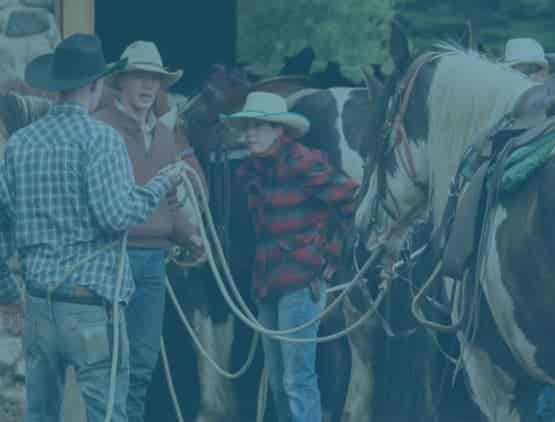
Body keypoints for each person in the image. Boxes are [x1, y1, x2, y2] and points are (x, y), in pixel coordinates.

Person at [0, 33, 184, 422]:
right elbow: (116, 215)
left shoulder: (20, 143)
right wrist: (160, 184)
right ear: (96, 85)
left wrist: (7, 293)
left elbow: (2, 223)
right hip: (90, 302)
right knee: (107, 414)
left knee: (40, 414)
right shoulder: (102, 139)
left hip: (38, 302)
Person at [223, 92, 358, 422]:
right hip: (266, 282)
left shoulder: (304, 162)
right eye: (247, 127)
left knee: (297, 379)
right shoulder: (251, 171)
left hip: (300, 280)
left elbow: (353, 204)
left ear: (277, 130)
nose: (249, 134)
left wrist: (332, 256)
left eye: (258, 126)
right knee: (279, 379)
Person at [93, 39, 205, 422]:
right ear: (121, 81)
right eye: (139, 77)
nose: (147, 87)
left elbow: (169, 202)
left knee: (142, 362)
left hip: (154, 264)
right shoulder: (101, 128)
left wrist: (189, 235)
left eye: (154, 80)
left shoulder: (163, 135)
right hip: (111, 259)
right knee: (111, 363)